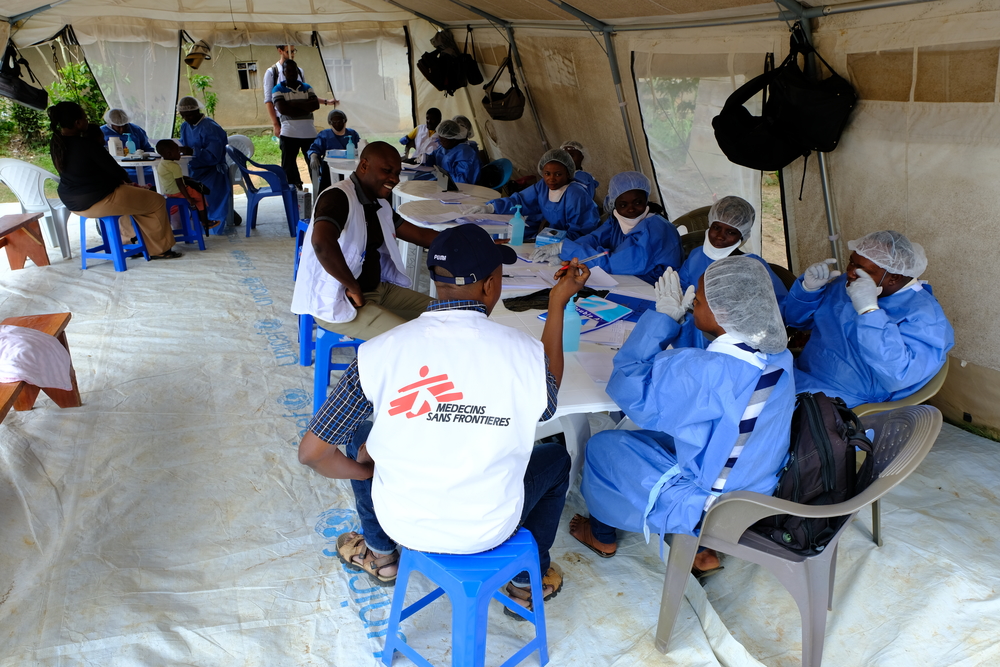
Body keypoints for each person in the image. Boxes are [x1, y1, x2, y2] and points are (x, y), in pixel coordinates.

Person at [298, 223, 590, 615]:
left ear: (436, 281)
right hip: (488, 527)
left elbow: (312, 452)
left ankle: (382, 553)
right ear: (490, 286)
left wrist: (368, 471)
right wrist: (557, 305)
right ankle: (525, 584)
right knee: (555, 461)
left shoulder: (379, 351)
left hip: (402, 520)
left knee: (360, 439)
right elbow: (547, 402)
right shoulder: (523, 353)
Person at [570, 257, 794, 576]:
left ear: (722, 313)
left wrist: (663, 320)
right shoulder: (778, 356)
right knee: (656, 438)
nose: (693, 304)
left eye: (698, 301)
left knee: (604, 447)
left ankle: (602, 535)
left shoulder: (703, 372)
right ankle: (703, 552)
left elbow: (627, 383)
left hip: (711, 503)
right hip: (757, 486)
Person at [785, 230, 954, 408]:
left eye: (862, 270)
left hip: (843, 399)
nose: (850, 272)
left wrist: (870, 312)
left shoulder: (925, 318)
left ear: (894, 277)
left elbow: (897, 375)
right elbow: (798, 322)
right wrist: (808, 291)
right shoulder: (849, 284)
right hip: (802, 373)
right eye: (851, 262)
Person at [291, 142, 440, 342]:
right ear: (364, 166)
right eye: (387, 171)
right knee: (412, 340)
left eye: (397, 173)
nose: (394, 179)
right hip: (344, 298)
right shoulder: (338, 197)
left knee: (446, 316)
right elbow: (322, 243)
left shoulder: (378, 203)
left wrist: (475, 243)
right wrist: (352, 286)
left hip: (378, 290)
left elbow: (421, 236)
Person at [47, 101, 181, 259]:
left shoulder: (57, 144)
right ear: (77, 123)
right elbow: (116, 171)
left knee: (130, 203)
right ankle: (159, 250)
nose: (87, 121)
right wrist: (131, 184)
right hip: (98, 199)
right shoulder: (88, 145)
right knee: (157, 201)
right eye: (85, 118)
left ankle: (132, 242)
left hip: (72, 202)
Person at [530, 171, 681, 284]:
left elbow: (615, 262)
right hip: (626, 279)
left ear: (646, 200)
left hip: (652, 287)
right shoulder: (616, 220)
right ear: (614, 204)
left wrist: (566, 249)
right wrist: (565, 252)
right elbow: (594, 238)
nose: (631, 209)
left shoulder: (657, 230)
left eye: (638, 202)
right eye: (623, 204)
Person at [469, 149, 601, 241]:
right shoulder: (543, 187)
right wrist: (492, 207)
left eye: (558, 174)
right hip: (552, 237)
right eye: (547, 174)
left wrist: (560, 245)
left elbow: (583, 231)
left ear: (568, 174)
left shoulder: (576, 195)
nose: (551, 179)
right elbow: (520, 200)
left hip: (571, 242)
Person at [177, 96, 230, 230]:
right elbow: (184, 143)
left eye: (188, 115)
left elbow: (215, 155)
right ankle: (195, 225)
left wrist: (193, 151)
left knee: (207, 199)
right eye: (183, 116)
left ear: (197, 111)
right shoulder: (185, 126)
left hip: (212, 171)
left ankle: (213, 227)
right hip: (194, 169)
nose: (186, 119)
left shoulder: (210, 127)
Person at [262, 45, 337, 139]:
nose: (292, 54)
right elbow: (269, 100)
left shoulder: (299, 71)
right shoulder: (272, 72)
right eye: (288, 51)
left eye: (293, 51)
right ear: (280, 51)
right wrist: (276, 124)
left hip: (304, 119)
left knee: (308, 146)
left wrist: (326, 101)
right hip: (284, 119)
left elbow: (306, 94)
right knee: (289, 149)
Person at [272, 59, 320, 190]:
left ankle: (318, 189)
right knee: (289, 166)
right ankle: (295, 190)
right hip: (289, 134)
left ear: (298, 71)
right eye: (288, 70)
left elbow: (315, 105)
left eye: (294, 70)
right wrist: (305, 106)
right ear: (284, 72)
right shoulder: (278, 89)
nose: (292, 73)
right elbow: (283, 109)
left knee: (314, 163)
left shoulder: (307, 87)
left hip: (309, 134)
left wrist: (294, 104)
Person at [155, 139, 215, 234]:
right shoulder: (174, 166)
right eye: (178, 151)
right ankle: (204, 221)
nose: (180, 153)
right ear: (169, 154)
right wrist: (189, 198)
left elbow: (172, 178)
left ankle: (194, 213)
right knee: (200, 196)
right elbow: (180, 184)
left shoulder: (161, 164)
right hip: (178, 192)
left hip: (169, 192)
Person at [308, 109, 362, 192]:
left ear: (345, 121)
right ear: (330, 123)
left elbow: (360, 148)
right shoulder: (324, 134)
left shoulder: (352, 134)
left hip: (350, 167)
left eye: (340, 121)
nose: (337, 124)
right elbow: (315, 147)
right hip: (330, 168)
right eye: (334, 122)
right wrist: (313, 156)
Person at [413, 119, 481, 185]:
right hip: (443, 183)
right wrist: (426, 158)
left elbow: (463, 182)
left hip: (457, 190)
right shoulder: (445, 147)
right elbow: (435, 157)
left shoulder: (465, 154)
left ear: (454, 139)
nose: (440, 142)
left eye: (443, 140)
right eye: (440, 139)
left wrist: (441, 176)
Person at [100, 108, 155, 185]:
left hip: (142, 165)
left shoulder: (136, 130)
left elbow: (148, 149)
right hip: (117, 166)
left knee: (156, 173)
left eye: (124, 126)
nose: (122, 129)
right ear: (111, 124)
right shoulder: (102, 132)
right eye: (118, 127)